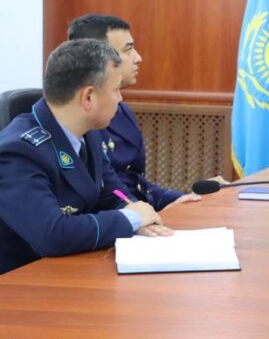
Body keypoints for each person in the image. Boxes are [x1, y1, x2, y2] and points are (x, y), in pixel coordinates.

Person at [0, 40, 172, 274]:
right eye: (116, 89)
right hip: (24, 282)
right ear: (88, 97)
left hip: (72, 268)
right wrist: (129, 219)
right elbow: (52, 234)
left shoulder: (88, 133)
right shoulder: (18, 153)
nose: (120, 99)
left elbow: (111, 192)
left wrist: (134, 213)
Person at [68, 14, 221, 211]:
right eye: (128, 50)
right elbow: (107, 193)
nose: (138, 58)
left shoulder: (121, 109)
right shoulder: (80, 119)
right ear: (97, 58)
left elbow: (135, 182)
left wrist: (178, 199)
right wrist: (140, 214)